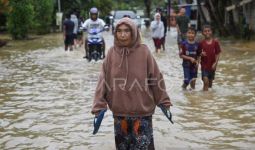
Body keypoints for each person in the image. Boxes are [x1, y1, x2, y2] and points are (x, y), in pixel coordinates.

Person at [91, 17, 172, 149]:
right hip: (120, 114)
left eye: (127, 31)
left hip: (142, 113)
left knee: (144, 147)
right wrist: (98, 107)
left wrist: (163, 101)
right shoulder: (111, 53)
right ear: (115, 33)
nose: (122, 35)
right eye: (119, 31)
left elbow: (156, 78)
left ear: (134, 32)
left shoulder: (144, 51)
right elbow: (103, 81)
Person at [199, 25, 221, 91]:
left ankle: (209, 98)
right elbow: (197, 53)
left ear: (211, 32)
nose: (207, 32)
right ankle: (204, 97)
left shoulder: (215, 42)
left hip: (212, 66)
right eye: (205, 31)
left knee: (210, 84)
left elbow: (218, 53)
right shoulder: (201, 43)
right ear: (202, 33)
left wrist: (215, 63)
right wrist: (201, 54)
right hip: (204, 66)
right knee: (205, 82)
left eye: (209, 31)